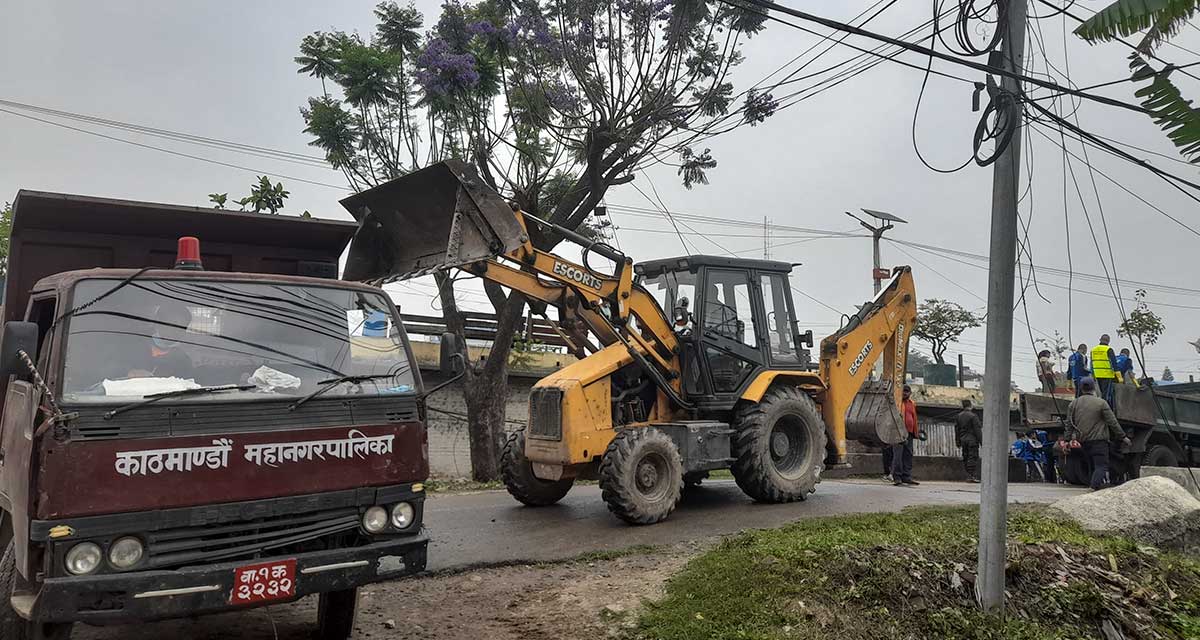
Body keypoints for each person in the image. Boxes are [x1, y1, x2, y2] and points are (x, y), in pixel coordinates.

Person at [1066, 377, 1130, 491]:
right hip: (1099, 442)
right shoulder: (1101, 403)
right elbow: (1113, 422)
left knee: (1091, 464)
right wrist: (1123, 437)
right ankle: (1093, 487)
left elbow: (1069, 424)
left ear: (1081, 388)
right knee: (1101, 465)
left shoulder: (1073, 404)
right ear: (1094, 387)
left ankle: (1092, 484)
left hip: (1083, 442)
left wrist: (1067, 440)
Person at [127, 303, 195, 379]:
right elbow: (114, 368)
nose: (176, 331)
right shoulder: (134, 346)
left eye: (183, 328)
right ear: (158, 323)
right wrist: (130, 372)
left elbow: (189, 384)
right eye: (173, 325)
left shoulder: (183, 360)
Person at [891, 384, 920, 487]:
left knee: (908, 455)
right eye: (903, 391)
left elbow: (914, 417)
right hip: (898, 432)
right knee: (898, 455)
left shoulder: (912, 403)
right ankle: (897, 477)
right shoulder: (897, 402)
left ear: (910, 393)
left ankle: (906, 476)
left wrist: (915, 432)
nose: (905, 393)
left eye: (907, 392)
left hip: (910, 433)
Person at [954, 398, 981, 483]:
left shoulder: (958, 416)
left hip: (963, 440)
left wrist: (957, 441)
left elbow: (957, 430)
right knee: (972, 457)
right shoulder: (973, 416)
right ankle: (971, 475)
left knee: (965, 457)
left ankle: (969, 475)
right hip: (972, 440)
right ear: (970, 405)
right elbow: (977, 430)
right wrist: (982, 441)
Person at [1091, 335, 1122, 407]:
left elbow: (1092, 363)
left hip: (1097, 375)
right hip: (1107, 375)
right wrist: (1119, 377)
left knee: (1101, 394)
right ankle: (1105, 411)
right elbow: (1114, 364)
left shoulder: (1093, 350)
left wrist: (1093, 375)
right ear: (1108, 341)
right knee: (1106, 395)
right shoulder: (1109, 349)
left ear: (1100, 339)